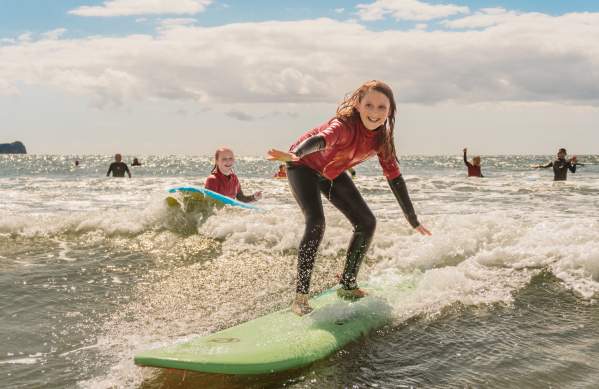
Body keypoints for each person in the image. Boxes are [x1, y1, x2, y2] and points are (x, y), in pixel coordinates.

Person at [267, 80, 431, 316]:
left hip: (330, 172)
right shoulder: (344, 124)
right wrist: (296, 154)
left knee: (366, 223)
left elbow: (394, 177)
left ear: (390, 111)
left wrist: (412, 219)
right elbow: (323, 139)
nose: (374, 113)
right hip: (301, 164)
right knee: (316, 222)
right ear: (357, 104)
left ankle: (347, 284)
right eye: (369, 105)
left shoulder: (381, 139)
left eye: (382, 108)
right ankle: (300, 298)